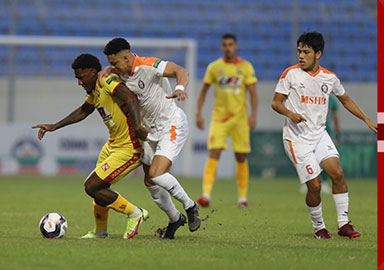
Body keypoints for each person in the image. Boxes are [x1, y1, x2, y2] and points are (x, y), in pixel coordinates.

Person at [271, 32, 377, 239]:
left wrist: (366, 119)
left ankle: (344, 224)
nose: (301, 56)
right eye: (299, 51)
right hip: (296, 138)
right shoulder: (290, 74)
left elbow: (345, 100)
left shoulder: (329, 78)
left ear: (318, 54)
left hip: (319, 135)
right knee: (316, 185)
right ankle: (319, 227)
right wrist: (291, 114)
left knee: (337, 173)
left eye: (306, 52)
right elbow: (275, 103)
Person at [32, 53, 149, 239]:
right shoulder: (94, 91)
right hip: (113, 145)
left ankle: (135, 213)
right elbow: (85, 110)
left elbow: (130, 98)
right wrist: (55, 126)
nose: (79, 82)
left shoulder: (108, 82)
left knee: (91, 187)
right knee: (99, 190)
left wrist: (137, 126)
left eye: (80, 77)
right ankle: (101, 232)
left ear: (93, 72)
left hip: (129, 147)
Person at [101, 37, 201, 234]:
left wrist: (180, 88)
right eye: (110, 63)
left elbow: (181, 71)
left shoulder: (149, 65)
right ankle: (175, 219)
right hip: (150, 132)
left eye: (114, 63)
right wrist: (106, 70)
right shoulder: (119, 73)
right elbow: (109, 72)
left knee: (157, 174)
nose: (112, 67)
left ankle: (190, 206)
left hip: (171, 124)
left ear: (128, 58)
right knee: (149, 180)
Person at [196, 33, 258, 209]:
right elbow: (203, 91)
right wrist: (198, 113)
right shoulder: (215, 67)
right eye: (225, 45)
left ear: (236, 46)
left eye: (231, 44)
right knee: (214, 152)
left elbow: (253, 92)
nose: (228, 47)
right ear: (221, 47)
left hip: (240, 119)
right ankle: (206, 195)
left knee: (241, 156)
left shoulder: (245, 67)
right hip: (220, 118)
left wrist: (253, 116)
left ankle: (242, 199)